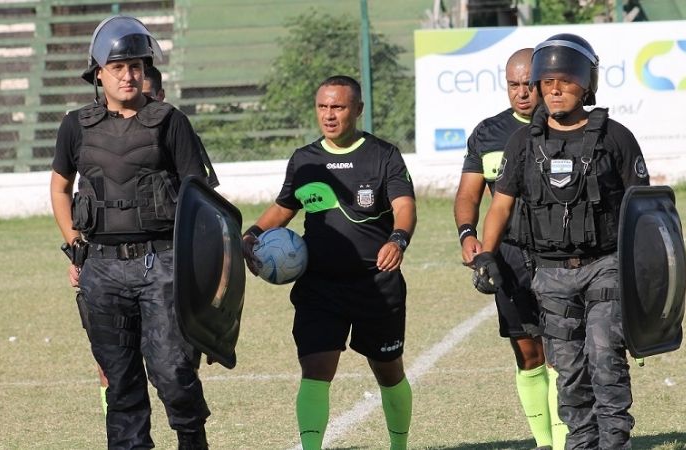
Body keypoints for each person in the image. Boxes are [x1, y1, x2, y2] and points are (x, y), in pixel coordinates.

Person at [473, 34, 650, 449]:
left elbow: (644, 210)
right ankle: (580, 443)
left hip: (605, 265)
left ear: (586, 85)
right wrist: (485, 253)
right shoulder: (522, 143)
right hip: (549, 274)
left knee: (605, 360)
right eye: (546, 81)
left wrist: (645, 272)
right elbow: (499, 206)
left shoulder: (616, 138)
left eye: (566, 81)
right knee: (568, 372)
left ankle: (615, 444)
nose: (554, 90)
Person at [50, 15, 216, 449]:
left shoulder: (169, 121)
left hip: (162, 262)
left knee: (173, 372)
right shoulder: (74, 125)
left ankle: (191, 438)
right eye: (119, 67)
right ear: (98, 73)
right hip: (102, 270)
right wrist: (74, 243)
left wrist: (203, 271)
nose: (129, 75)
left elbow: (202, 199)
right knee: (120, 383)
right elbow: (60, 186)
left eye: (137, 66)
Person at [241, 75, 416, 450]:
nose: (329, 115)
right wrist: (251, 234)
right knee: (316, 370)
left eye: (338, 107)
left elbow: (404, 207)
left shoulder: (383, 154)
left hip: (376, 284)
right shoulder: (305, 160)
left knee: (388, 372)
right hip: (320, 285)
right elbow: (284, 207)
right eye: (323, 107)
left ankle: (399, 446)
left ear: (357, 110)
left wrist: (397, 239)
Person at [454, 48, 565, 450]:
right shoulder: (487, 133)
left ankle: (566, 443)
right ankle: (543, 442)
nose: (521, 93)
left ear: (542, 83)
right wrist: (469, 235)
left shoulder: (565, 126)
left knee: (561, 354)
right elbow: (468, 193)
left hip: (561, 256)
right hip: (510, 257)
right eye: (513, 85)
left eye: (527, 85)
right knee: (528, 354)